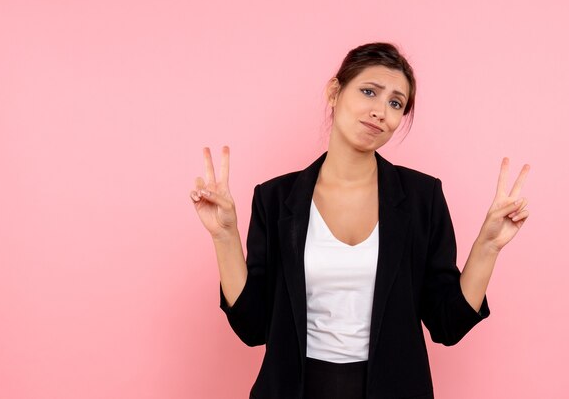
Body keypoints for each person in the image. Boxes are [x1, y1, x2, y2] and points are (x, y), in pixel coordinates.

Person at [189, 42, 530, 399]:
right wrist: (224, 236)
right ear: (334, 92)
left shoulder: (420, 198)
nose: (380, 111)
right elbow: (253, 326)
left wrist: (488, 246)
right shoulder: (275, 198)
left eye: (396, 103)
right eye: (369, 91)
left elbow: (448, 323)